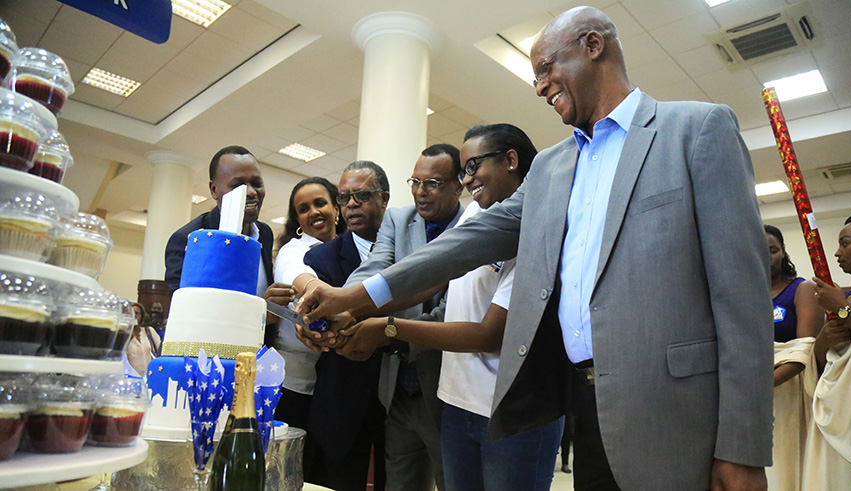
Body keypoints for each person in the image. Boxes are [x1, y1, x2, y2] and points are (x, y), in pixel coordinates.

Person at [299, 7, 773, 490]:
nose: (541, 86)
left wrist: (742, 446)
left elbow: (742, 300)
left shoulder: (695, 130)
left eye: (547, 67)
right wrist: (356, 297)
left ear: (593, 46)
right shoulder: (550, 167)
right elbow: (465, 244)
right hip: (578, 401)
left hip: (671, 411)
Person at [339, 124, 562, 490]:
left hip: (511, 410)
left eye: (473, 166)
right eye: (464, 171)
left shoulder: (540, 228)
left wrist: (387, 327)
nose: (469, 179)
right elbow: (433, 278)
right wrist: (354, 307)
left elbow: (489, 333)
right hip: (456, 404)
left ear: (510, 161)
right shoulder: (477, 214)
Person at [305, 144, 464, 491]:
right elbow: (374, 270)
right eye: (416, 182)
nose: (421, 192)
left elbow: (450, 312)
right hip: (398, 391)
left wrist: (388, 331)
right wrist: (342, 311)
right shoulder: (398, 220)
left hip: (446, 389)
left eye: (433, 183)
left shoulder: (474, 228)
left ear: (458, 185)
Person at [303, 161, 390, 490]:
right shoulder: (322, 259)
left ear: (384, 198)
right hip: (342, 391)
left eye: (362, 195)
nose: (351, 204)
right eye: (344, 198)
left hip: (399, 391)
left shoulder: (410, 249)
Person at [805, 211, 851, 489]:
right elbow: (828, 361)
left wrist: (843, 309)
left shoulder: (842, 303)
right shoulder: (847, 298)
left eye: (845, 243)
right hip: (836, 410)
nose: (836, 252)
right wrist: (822, 341)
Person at [271, 177, 345, 433]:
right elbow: (294, 273)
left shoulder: (351, 246)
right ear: (298, 221)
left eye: (320, 203)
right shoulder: (293, 250)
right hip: (292, 383)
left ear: (336, 208)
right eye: (303, 209)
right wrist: (315, 290)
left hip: (337, 386)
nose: (313, 212)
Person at [164, 146, 274, 295]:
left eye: (257, 183)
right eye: (237, 186)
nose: (251, 192)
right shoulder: (188, 239)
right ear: (214, 190)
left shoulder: (265, 234)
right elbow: (187, 307)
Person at [765, 225, 823, 490]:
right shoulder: (742, 295)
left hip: (790, 385)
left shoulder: (802, 289)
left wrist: (761, 384)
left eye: (773, 250)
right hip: (749, 388)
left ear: (783, 252)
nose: (767, 256)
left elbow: (806, 348)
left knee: (788, 464)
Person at [126, 301, 161, 376]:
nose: (134, 315)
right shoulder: (123, 333)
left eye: (137, 313)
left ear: (141, 316)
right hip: (131, 377)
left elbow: (161, 350)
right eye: (132, 312)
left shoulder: (149, 331)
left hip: (150, 376)